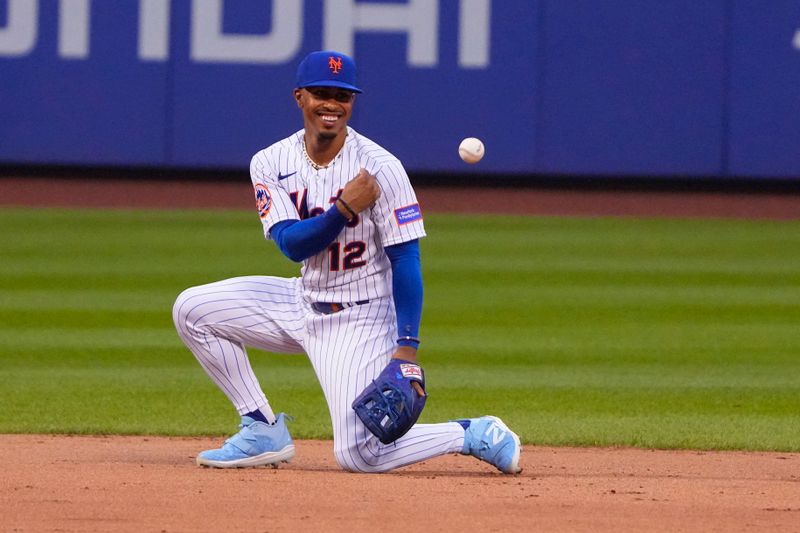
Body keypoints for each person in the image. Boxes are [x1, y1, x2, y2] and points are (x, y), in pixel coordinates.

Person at [172, 50, 522, 474]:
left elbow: (406, 258)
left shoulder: (381, 168)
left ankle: (472, 432)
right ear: (299, 97)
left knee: (360, 455)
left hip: (360, 317)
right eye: (321, 93)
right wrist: (343, 210)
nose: (332, 104)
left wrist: (407, 348)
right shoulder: (269, 162)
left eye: (343, 95)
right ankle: (261, 427)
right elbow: (292, 245)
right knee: (193, 309)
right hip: (301, 300)